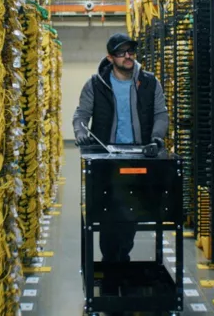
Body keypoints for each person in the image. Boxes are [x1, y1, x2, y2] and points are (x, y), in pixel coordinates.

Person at [72, 33, 168, 268]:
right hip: (107, 157)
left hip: (139, 155)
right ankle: (111, 259)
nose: (128, 56)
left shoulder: (149, 82)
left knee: (131, 211)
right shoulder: (95, 84)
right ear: (110, 57)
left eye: (131, 51)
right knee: (108, 211)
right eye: (121, 52)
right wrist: (81, 133)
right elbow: (81, 115)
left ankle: (120, 258)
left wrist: (156, 139)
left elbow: (160, 113)